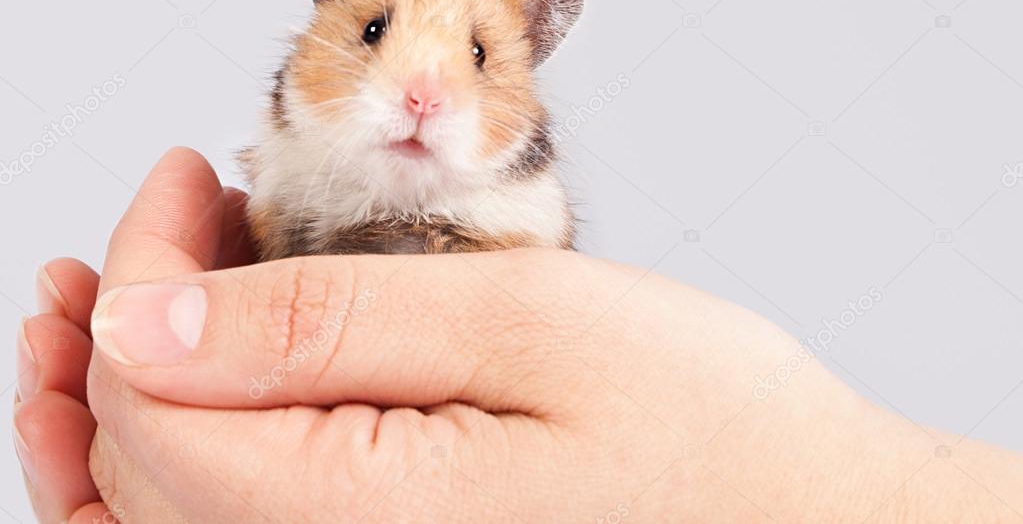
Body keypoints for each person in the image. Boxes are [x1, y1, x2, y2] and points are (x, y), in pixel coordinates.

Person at [14, 148, 1023, 522]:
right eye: (372, 33)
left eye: (477, 58)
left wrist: (820, 494)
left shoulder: (524, 212)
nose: (421, 96)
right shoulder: (284, 172)